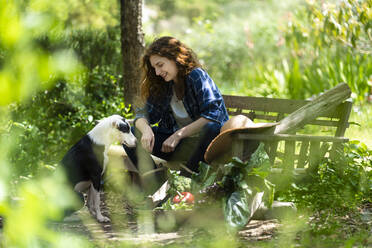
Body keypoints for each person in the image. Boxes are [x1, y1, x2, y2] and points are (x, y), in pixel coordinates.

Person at [123, 36, 229, 194]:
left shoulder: (196, 76)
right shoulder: (164, 85)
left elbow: (213, 114)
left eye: (160, 65)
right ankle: (157, 184)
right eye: (154, 68)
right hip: (177, 147)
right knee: (129, 134)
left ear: (175, 58)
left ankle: (183, 180)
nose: (158, 72)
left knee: (212, 127)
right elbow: (141, 114)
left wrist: (178, 135)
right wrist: (146, 130)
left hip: (206, 146)